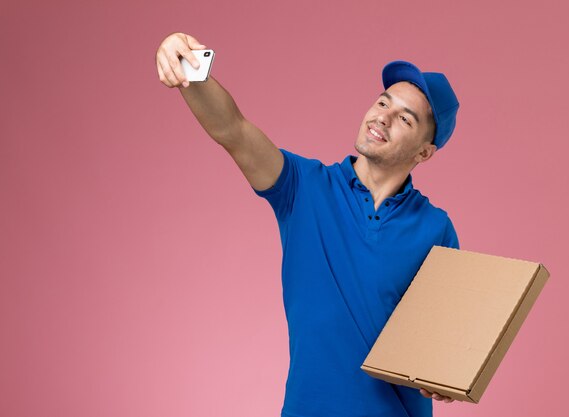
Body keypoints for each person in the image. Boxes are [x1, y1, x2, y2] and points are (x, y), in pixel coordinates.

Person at [156, 32, 460, 417]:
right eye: (383, 102)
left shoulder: (436, 229)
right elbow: (233, 130)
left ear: (425, 151)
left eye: (403, 118)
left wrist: (447, 374)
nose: (382, 116)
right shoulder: (303, 187)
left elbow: (443, 347)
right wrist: (188, 68)